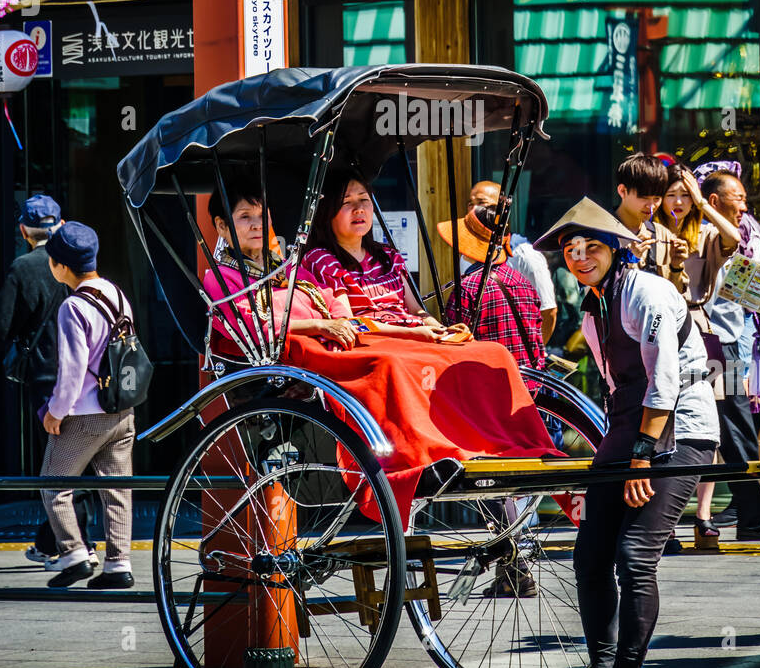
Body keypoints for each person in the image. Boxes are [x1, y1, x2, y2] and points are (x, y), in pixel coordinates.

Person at [202, 181, 563, 533]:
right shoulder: (222, 277)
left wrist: (435, 328)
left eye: (261, 215)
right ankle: (415, 458)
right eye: (244, 217)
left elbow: (344, 312)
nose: (256, 224)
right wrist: (325, 326)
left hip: (341, 334)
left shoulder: (286, 270)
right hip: (306, 357)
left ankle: (498, 445)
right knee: (390, 363)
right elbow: (260, 328)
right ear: (221, 226)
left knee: (489, 352)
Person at [534, 199, 719, 668]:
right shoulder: (594, 311)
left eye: (591, 246)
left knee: (634, 556)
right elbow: (618, 388)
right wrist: (621, 449)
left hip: (680, 427)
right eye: (571, 249)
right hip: (627, 427)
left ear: (616, 249)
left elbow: (661, 382)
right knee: (589, 557)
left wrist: (642, 460)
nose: (579, 256)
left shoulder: (647, 291)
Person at [0, 195, 98, 568]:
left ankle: (74, 544)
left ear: (23, 230)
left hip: (46, 379)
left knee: (59, 465)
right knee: (77, 463)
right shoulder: (79, 265)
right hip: (88, 376)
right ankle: (57, 540)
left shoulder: (21, 268)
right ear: (60, 225)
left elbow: (3, 325)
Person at [40, 223, 135, 590]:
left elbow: (73, 370)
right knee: (117, 489)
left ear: (60, 265)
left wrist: (55, 412)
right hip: (122, 408)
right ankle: (118, 566)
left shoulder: (72, 306)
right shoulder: (116, 294)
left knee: (53, 484)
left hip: (84, 414)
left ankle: (74, 555)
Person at [700, 169, 760, 542]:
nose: (745, 205)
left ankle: (749, 511)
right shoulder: (707, 236)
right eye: (737, 197)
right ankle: (752, 515)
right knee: (732, 431)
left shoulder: (747, 230)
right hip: (715, 345)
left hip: (740, 341)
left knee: (736, 429)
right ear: (715, 201)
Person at [657, 163, 740, 544]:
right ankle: (663, 516)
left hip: (697, 329)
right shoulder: (651, 234)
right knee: (660, 423)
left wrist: (704, 207)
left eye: (684, 195)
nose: (677, 202)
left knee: (707, 426)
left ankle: (703, 516)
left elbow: (733, 237)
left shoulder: (705, 233)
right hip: (658, 332)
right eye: (671, 194)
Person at [303, 171, 456, 334]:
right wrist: (413, 334)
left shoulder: (389, 255)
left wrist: (442, 329)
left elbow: (416, 310)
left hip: (415, 334)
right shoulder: (321, 259)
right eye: (346, 202)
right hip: (375, 343)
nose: (359, 209)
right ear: (327, 212)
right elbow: (346, 323)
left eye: (364, 199)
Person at [437, 205, 545, 389]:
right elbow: (538, 340)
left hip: (488, 392)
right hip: (530, 389)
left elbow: (452, 349)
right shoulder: (523, 283)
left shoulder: (467, 288)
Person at [468, 180, 557, 342]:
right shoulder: (466, 253)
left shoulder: (525, 255)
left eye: (481, 203)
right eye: (470, 204)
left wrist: (535, 357)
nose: (473, 209)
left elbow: (548, 310)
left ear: (502, 209)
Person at [614, 153, 683, 289]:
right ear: (622, 191)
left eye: (657, 198)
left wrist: (676, 266)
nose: (651, 206)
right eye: (644, 197)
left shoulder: (662, 235)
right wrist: (628, 257)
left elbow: (677, 293)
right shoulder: (601, 233)